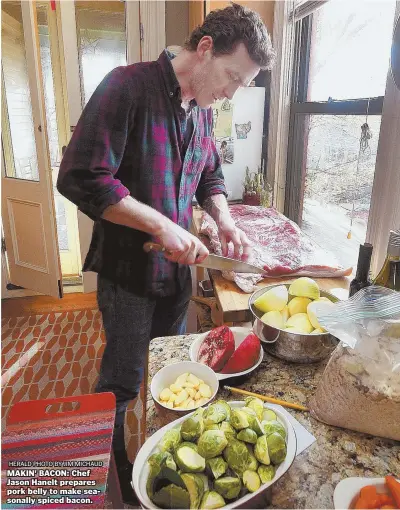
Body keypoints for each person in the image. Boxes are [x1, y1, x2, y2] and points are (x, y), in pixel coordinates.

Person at [57, 4, 274, 503]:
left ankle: (160, 462)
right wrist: (160, 223)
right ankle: (110, 482)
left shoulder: (200, 110)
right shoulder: (126, 87)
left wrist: (222, 216)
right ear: (204, 50)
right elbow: (81, 176)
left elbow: (210, 176)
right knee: (122, 383)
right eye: (233, 76)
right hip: (129, 274)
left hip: (176, 279)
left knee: (168, 376)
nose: (233, 92)